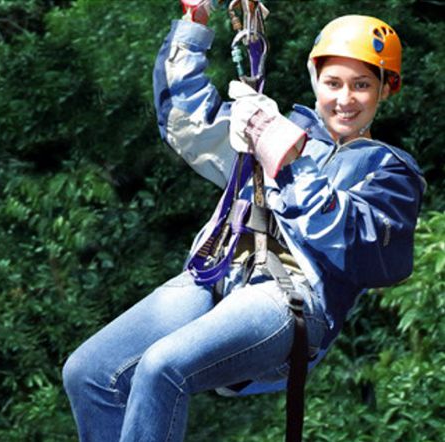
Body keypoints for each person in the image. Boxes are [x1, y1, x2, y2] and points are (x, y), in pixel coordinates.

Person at [62, 1, 426, 441]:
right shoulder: (269, 125)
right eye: (333, 83)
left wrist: (288, 159)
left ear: (386, 89)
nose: (344, 99)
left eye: (362, 85)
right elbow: (188, 123)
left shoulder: (389, 172)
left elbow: (356, 244)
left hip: (292, 300)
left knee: (163, 367)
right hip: (219, 274)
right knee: (89, 371)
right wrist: (194, 24)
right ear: (315, 80)